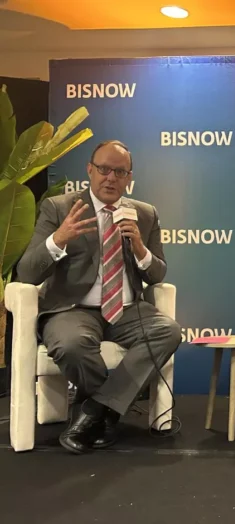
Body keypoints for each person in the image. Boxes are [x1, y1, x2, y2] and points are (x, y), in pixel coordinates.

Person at [17, 140, 181, 454]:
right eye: (104, 169)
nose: (111, 178)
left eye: (120, 172)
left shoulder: (144, 214)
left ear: (129, 177)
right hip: (73, 308)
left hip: (127, 309)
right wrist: (58, 239)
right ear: (89, 170)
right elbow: (27, 272)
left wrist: (140, 250)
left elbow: (157, 274)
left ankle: (93, 411)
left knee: (168, 330)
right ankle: (106, 412)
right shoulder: (60, 208)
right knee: (71, 345)